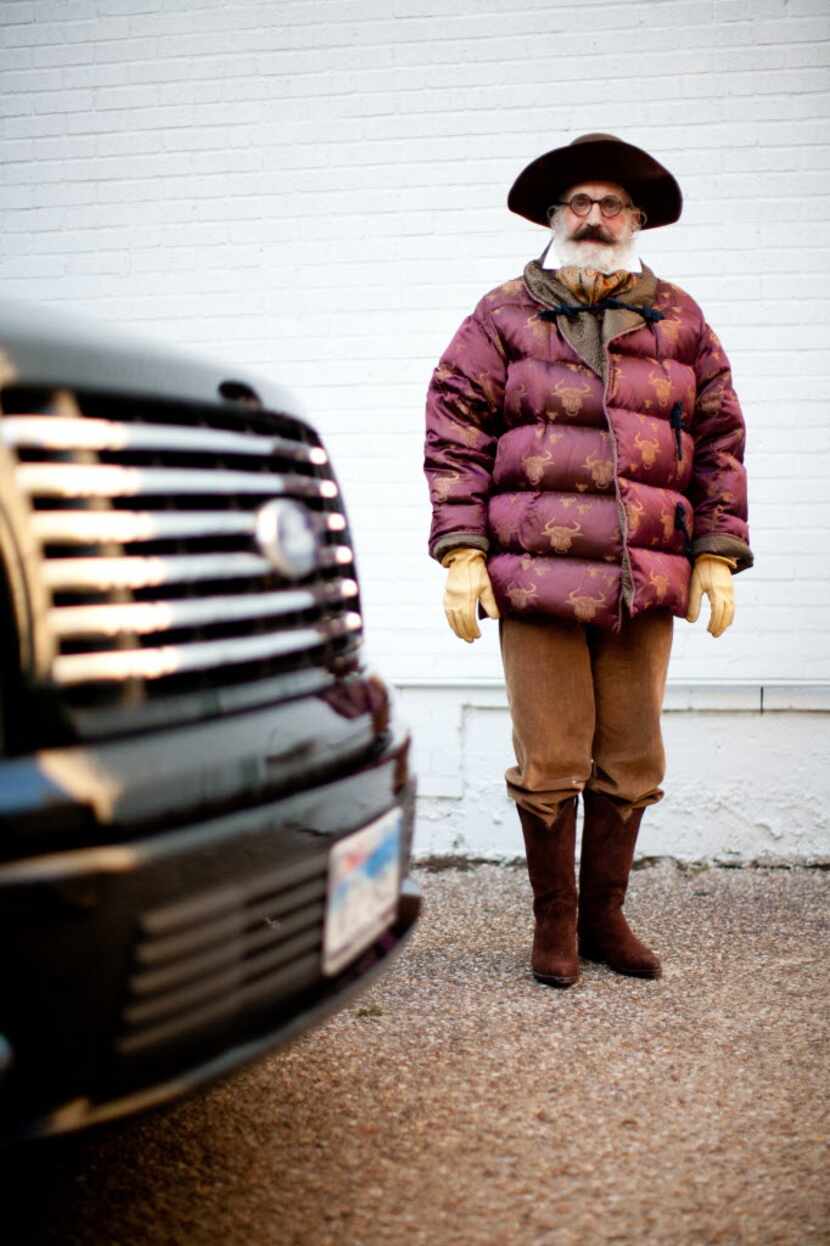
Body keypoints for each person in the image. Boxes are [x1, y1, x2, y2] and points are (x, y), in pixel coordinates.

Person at [424, 133, 752, 988]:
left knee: (634, 756)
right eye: (579, 203)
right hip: (534, 573)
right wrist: (462, 554)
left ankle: (605, 915)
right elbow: (454, 433)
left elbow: (719, 438)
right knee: (551, 756)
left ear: (637, 221)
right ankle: (556, 923)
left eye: (612, 206)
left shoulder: (678, 318)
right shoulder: (501, 315)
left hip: (647, 574)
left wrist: (715, 553)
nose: (595, 218)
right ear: (552, 216)